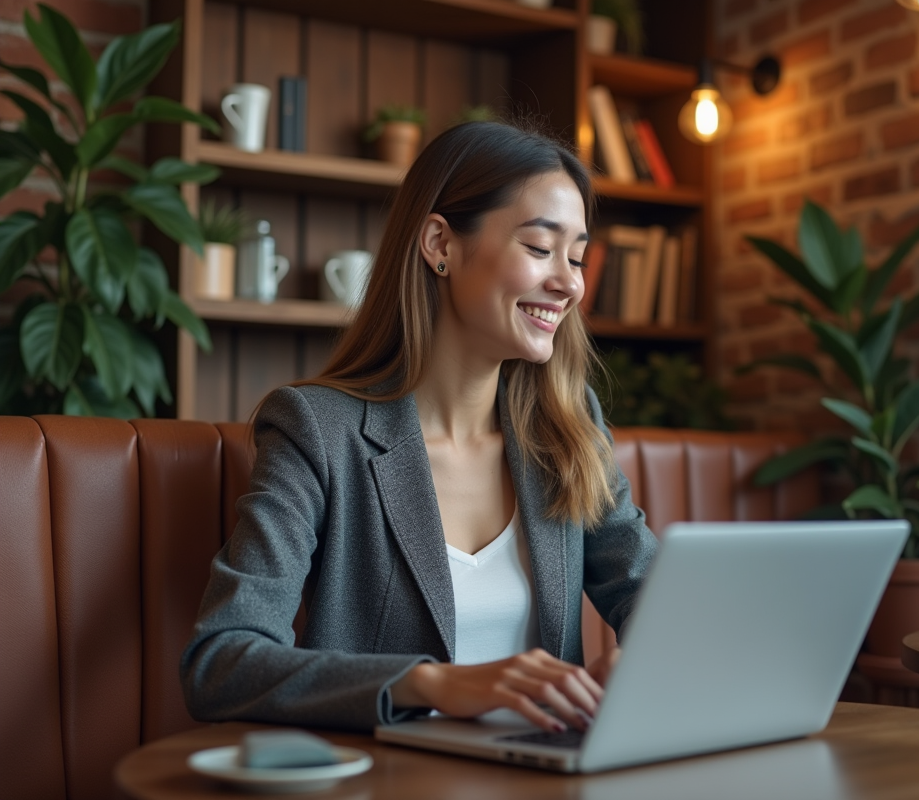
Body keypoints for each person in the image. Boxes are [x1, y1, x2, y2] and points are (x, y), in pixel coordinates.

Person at [180, 121, 658, 735]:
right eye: (541, 249)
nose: (569, 282)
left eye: (577, 256)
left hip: (545, 777)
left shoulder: (566, 428)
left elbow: (648, 592)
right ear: (440, 244)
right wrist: (433, 682)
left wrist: (645, 656)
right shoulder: (318, 431)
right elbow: (220, 661)